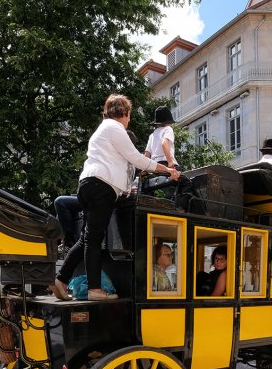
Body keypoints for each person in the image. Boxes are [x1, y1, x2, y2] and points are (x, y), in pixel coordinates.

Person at [53, 94, 180, 301]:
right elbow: (138, 159)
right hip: (101, 187)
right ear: (124, 113)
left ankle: (61, 278)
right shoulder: (114, 128)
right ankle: (95, 289)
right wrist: (168, 170)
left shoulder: (102, 130)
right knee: (93, 240)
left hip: (87, 185)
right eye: (129, 116)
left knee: (86, 238)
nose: (129, 120)